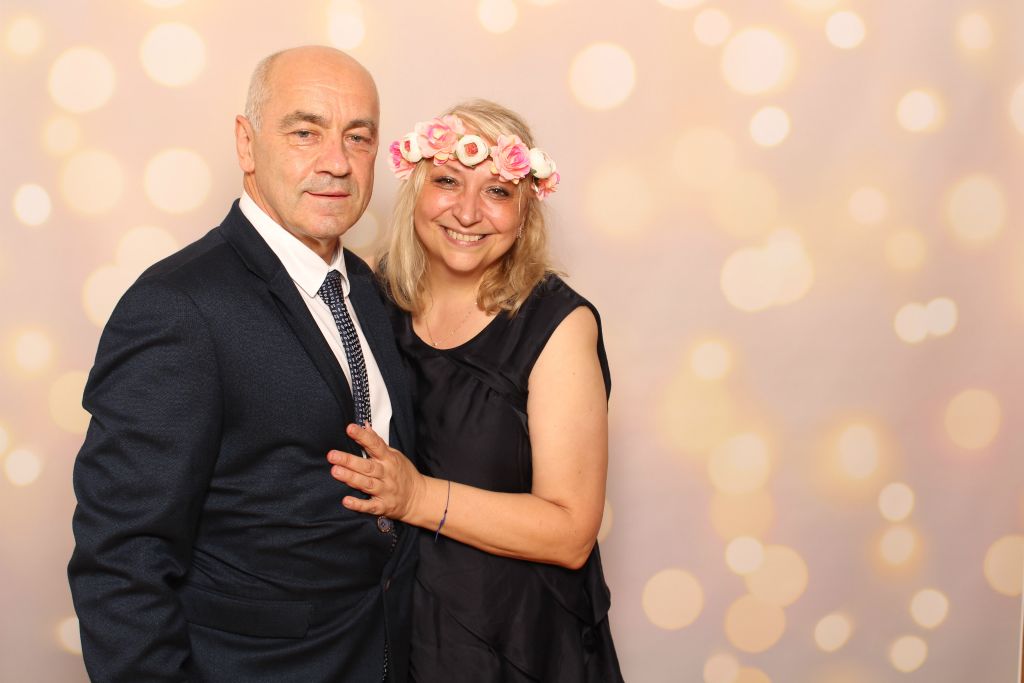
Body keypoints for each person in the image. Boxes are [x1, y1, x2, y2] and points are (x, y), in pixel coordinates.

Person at [68, 46, 417, 682]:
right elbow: (121, 559)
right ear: (246, 143)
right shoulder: (177, 306)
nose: (336, 162)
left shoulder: (367, 290)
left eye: (357, 137)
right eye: (305, 132)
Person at [327, 100, 624, 681]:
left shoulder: (558, 326)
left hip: (518, 641)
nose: (467, 212)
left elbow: (571, 533)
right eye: (447, 181)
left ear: (524, 211)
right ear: (416, 189)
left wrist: (416, 497)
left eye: (496, 191)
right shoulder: (364, 297)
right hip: (393, 634)